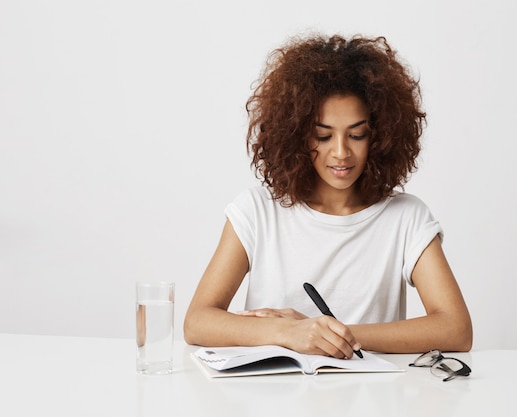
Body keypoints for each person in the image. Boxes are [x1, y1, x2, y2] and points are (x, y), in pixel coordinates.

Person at [184, 33, 472, 358]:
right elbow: (197, 322)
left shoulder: (405, 218)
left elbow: (456, 329)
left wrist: (334, 334)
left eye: (357, 134)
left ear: (379, 136)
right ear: (295, 134)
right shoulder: (257, 212)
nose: (340, 152)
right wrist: (290, 332)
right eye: (323, 135)